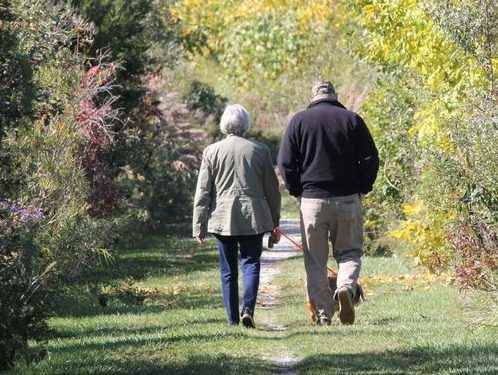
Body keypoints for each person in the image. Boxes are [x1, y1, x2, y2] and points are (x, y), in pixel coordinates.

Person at [277, 81, 379, 326]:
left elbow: (285, 163)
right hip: (347, 199)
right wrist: (363, 186)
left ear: (313, 97)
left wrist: (296, 190)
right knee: (350, 252)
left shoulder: (299, 121)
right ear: (335, 96)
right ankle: (345, 287)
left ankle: (323, 315)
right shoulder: (352, 120)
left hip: (312, 200)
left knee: (315, 261)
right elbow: (370, 158)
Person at [192, 104, 281, 328]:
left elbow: (203, 191)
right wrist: (274, 221)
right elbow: (273, 190)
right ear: (246, 124)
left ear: (224, 124)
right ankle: (248, 310)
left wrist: (199, 224)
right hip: (253, 217)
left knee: (228, 270)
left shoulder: (211, 152)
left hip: (222, 219)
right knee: (251, 263)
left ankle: (232, 320)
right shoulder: (260, 151)